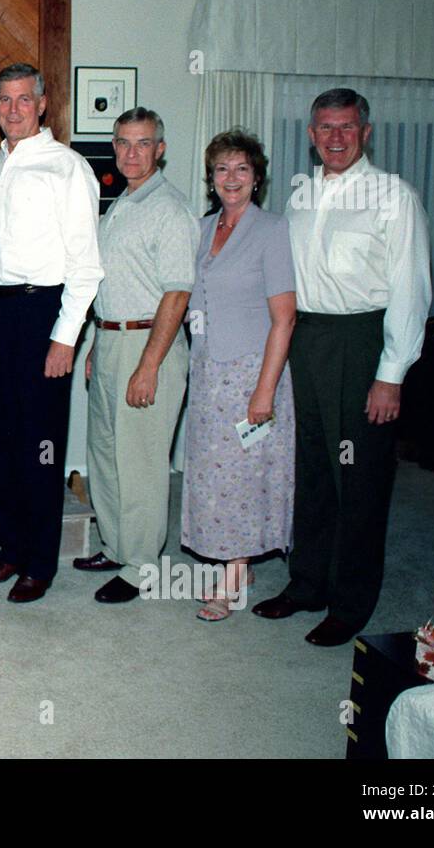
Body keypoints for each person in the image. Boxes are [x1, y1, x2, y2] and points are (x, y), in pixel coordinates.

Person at [252, 88, 431, 646]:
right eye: (325, 128)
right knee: (311, 470)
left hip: (362, 342)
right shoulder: (301, 195)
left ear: (366, 132)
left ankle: (351, 602)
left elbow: (411, 288)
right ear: (311, 135)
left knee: (359, 478)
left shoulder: (394, 198)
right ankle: (307, 583)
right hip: (308, 340)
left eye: (346, 128)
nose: (335, 138)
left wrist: (391, 372)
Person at [0, 63, 102, 603]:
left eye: (25, 99)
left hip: (41, 313)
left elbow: (87, 266)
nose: (14, 108)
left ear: (43, 104)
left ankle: (41, 562)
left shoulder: (68, 169)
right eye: (5, 99)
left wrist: (65, 337)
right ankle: (11, 550)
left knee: (40, 444)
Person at [80, 107, 197, 605]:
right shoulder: (122, 203)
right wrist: (93, 344)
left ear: (160, 149)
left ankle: (144, 564)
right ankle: (117, 546)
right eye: (124, 143)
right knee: (105, 454)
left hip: (150, 344)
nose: (131, 153)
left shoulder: (170, 208)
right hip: (110, 339)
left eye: (143, 143)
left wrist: (148, 365)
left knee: (142, 460)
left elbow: (176, 293)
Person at [180, 129, 296, 621]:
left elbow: (284, 317)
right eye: (222, 169)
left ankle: (231, 577)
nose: (231, 178)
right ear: (211, 178)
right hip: (208, 371)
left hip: (252, 373)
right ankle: (238, 562)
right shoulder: (204, 228)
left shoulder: (272, 231)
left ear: (257, 178)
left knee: (245, 477)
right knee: (212, 475)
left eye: (242, 170)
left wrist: (264, 391)